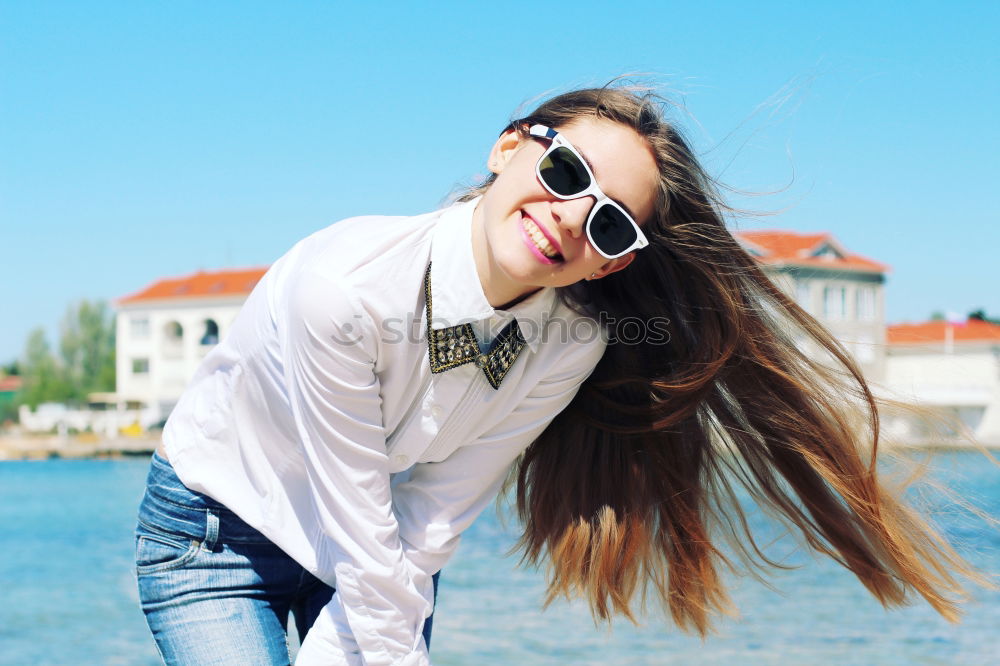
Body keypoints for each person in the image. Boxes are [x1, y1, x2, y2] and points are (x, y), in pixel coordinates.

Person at [135, 84, 977, 665]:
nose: (569, 217)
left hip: (382, 540)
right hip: (218, 537)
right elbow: (358, 525)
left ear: (609, 267)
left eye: (609, 225)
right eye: (566, 173)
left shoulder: (569, 343)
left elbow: (431, 515)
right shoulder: (344, 289)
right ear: (510, 148)